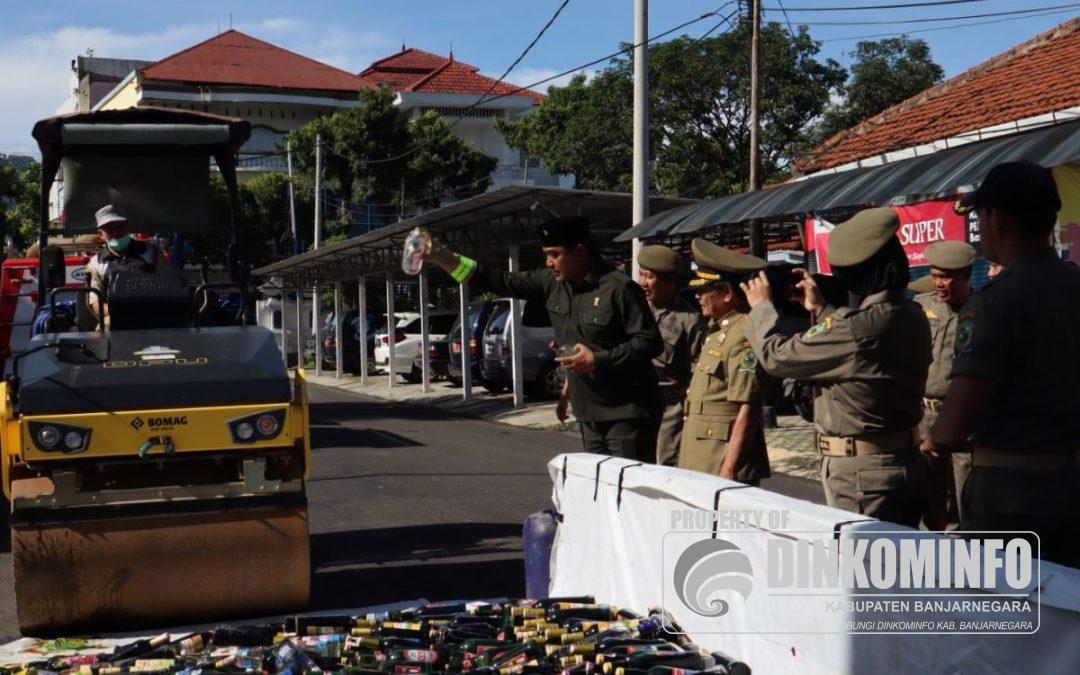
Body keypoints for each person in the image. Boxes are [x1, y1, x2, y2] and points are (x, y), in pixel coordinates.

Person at [923, 161, 1079, 567]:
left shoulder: (994, 301)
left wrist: (934, 439)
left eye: (980, 215)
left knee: (1005, 621)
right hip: (1071, 489)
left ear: (998, 219)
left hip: (1013, 498)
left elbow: (958, 419)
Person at [741, 207, 930, 526]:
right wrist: (823, 309)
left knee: (863, 572)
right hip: (901, 463)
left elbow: (778, 356)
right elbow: (856, 357)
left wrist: (762, 308)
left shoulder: (857, 328)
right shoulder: (911, 315)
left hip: (863, 478)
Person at [424, 217, 663, 461]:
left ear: (579, 251)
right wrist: (446, 259)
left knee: (629, 495)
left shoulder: (618, 288)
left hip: (627, 414)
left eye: (554, 254)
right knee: (599, 493)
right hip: (588, 412)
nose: (548, 262)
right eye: (546, 254)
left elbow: (650, 341)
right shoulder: (552, 283)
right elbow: (501, 281)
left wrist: (597, 360)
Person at [678, 239, 770, 484]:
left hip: (722, 461)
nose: (697, 295)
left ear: (727, 293)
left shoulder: (743, 335)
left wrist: (729, 467)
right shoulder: (717, 332)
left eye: (703, 289)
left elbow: (748, 407)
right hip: (702, 455)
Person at [913, 241, 976, 531]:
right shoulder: (922, 307)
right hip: (924, 415)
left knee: (966, 496)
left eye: (945, 277)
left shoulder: (982, 310)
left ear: (966, 275)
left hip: (964, 418)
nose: (938, 283)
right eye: (934, 275)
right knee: (928, 497)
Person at [637, 244, 705, 466]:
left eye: (650, 276)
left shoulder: (689, 319)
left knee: (666, 465)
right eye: (641, 274)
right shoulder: (634, 310)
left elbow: (699, 366)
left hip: (670, 409)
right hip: (636, 403)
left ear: (669, 281)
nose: (643, 282)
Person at [86, 204, 167, 325]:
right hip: (116, 321)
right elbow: (95, 303)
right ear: (100, 234)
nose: (117, 231)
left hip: (153, 317)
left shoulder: (151, 252)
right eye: (110, 228)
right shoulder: (96, 263)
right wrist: (124, 312)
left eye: (120, 226)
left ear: (128, 227)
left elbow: (168, 286)